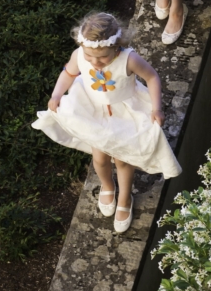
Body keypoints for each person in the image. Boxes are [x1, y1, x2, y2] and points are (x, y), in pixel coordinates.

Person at [32, 12, 181, 233]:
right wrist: (56, 95)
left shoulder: (128, 59)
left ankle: (124, 196)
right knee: (100, 158)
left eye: (102, 58)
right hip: (95, 111)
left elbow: (151, 77)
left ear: (117, 46)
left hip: (124, 111)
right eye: (90, 56)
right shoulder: (80, 55)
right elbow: (69, 73)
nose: (95, 62)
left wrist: (156, 108)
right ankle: (108, 185)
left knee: (122, 161)